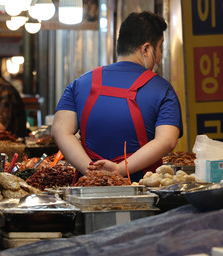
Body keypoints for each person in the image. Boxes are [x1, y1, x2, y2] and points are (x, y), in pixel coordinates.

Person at [52, 11, 183, 182]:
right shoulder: (163, 89)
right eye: (160, 48)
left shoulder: (80, 84)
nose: (159, 56)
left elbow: (60, 132)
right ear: (146, 49)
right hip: (142, 190)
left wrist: (92, 172)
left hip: (89, 190)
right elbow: (167, 141)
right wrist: (120, 170)